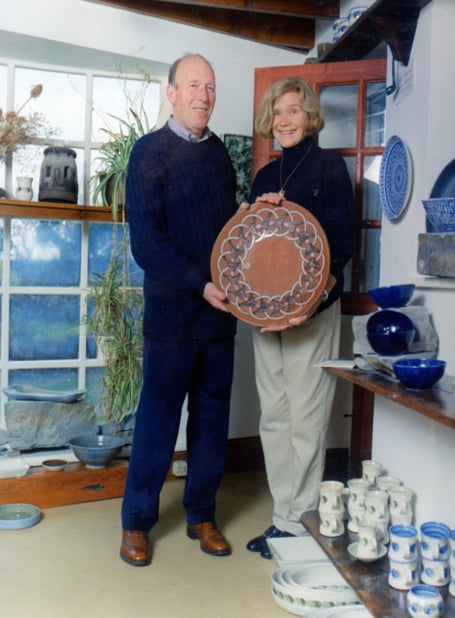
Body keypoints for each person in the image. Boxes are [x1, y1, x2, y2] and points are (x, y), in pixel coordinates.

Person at [120, 54, 238, 566]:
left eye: (209, 87)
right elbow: (146, 245)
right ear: (171, 93)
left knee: (211, 423)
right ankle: (136, 522)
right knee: (157, 422)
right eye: (193, 85)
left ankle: (202, 516)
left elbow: (228, 233)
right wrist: (200, 284)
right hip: (171, 319)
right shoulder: (148, 152)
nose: (203, 96)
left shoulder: (220, 155)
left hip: (219, 319)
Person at [244, 77, 356, 559]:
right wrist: (252, 213)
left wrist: (311, 304)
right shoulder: (265, 177)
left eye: (293, 110)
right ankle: (282, 517)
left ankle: (302, 524)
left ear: (309, 116)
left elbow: (343, 246)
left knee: (306, 421)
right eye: (277, 113)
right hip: (267, 316)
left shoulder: (330, 168)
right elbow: (249, 246)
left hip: (313, 313)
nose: (284, 120)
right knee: (274, 418)